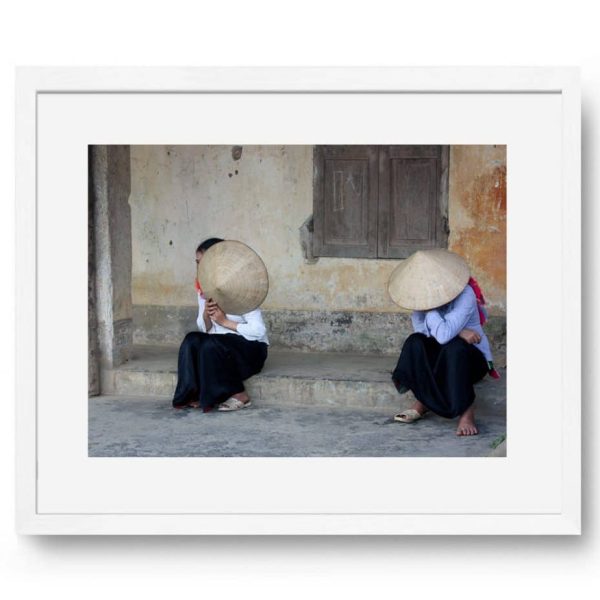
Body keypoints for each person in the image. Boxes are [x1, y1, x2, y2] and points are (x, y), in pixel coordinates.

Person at [388, 250, 496, 436]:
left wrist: (431, 312)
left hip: (471, 360)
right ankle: (424, 401)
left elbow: (444, 336)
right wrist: (460, 331)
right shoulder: (421, 300)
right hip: (443, 358)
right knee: (415, 343)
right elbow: (423, 334)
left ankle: (466, 410)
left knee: (453, 348)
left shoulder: (466, 294)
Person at [172, 238, 269, 412]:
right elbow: (206, 329)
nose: (199, 267)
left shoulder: (242, 287)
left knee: (211, 345)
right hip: (218, 349)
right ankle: (192, 393)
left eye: (203, 263)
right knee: (191, 340)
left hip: (251, 351)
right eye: (197, 263)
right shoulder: (205, 287)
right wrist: (207, 315)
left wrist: (225, 322)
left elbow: (258, 331)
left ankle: (240, 394)